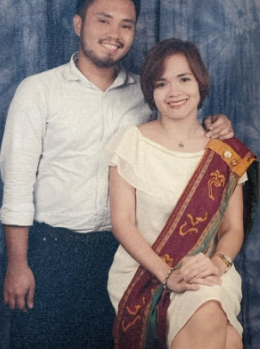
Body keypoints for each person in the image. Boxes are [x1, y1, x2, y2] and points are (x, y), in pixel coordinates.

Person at [0, 0, 234, 349]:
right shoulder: (38, 91)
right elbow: (17, 184)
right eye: (103, 20)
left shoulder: (147, 94)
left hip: (123, 255)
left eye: (126, 25)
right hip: (52, 252)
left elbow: (180, 133)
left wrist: (216, 125)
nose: (114, 33)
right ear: (79, 24)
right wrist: (17, 263)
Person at [107, 38, 257, 349]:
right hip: (144, 273)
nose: (174, 92)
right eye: (161, 84)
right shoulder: (132, 142)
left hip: (210, 270)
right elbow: (123, 225)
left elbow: (233, 228)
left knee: (211, 309)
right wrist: (167, 275)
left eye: (184, 79)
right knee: (219, 329)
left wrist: (217, 264)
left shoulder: (226, 152)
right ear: (151, 92)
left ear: (200, 82)